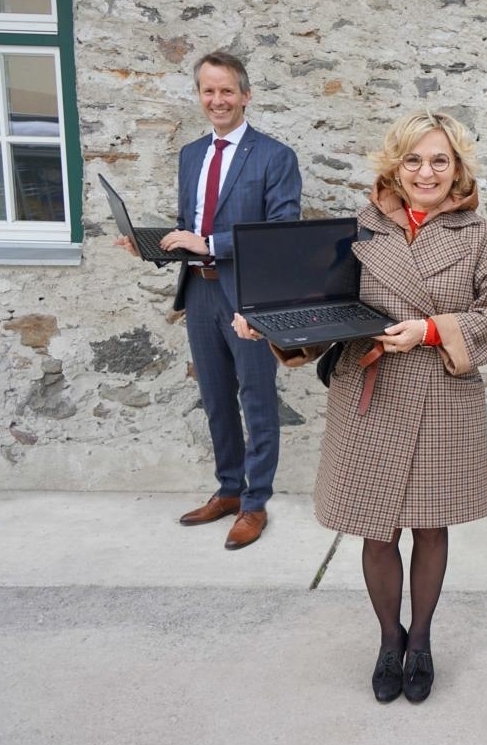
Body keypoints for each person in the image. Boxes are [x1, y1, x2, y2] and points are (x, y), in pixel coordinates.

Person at [235, 112, 487, 704]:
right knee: (375, 527)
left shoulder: (477, 233)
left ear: (457, 166)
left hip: (441, 390)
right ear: (395, 165)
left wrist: (432, 331)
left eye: (439, 160)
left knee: (430, 524)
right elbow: (322, 309)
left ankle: (423, 643)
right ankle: (390, 640)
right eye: (413, 159)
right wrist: (271, 327)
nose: (425, 172)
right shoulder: (358, 229)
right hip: (371, 393)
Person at [117, 50, 302, 550]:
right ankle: (227, 489)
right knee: (216, 398)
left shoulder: (275, 156)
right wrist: (156, 245)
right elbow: (190, 228)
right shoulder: (192, 155)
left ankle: (254, 502)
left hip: (248, 297)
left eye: (226, 91)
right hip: (199, 291)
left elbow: (281, 234)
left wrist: (213, 245)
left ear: (246, 95)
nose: (217, 100)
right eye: (208, 90)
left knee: (257, 399)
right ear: (199, 95)